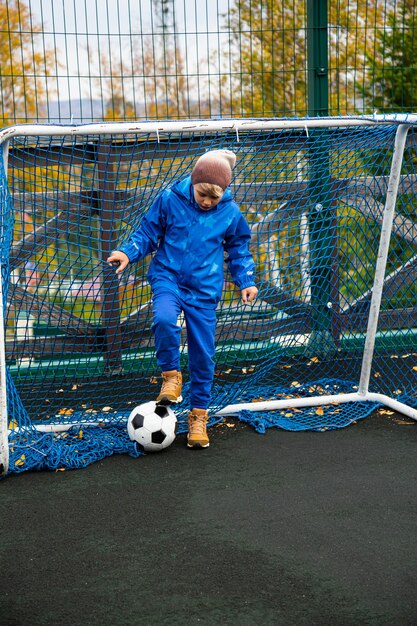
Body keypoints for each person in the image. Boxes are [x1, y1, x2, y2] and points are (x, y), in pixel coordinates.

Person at [108, 150, 258, 449]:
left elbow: (239, 249)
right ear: (193, 182)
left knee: (203, 353)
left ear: (224, 193)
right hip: (168, 276)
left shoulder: (230, 213)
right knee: (164, 319)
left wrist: (246, 281)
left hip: (204, 288)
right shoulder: (169, 199)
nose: (207, 201)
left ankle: (198, 416)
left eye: (214, 198)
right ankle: (171, 376)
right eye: (203, 194)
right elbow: (148, 232)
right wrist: (128, 251)